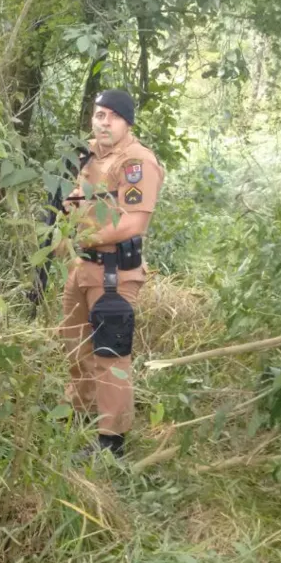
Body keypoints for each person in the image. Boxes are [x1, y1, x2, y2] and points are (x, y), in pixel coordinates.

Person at [58, 89, 164, 458]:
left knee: (110, 354)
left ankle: (109, 441)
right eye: (99, 115)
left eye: (111, 117)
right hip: (82, 267)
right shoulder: (92, 155)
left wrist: (85, 236)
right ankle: (81, 414)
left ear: (127, 123)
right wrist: (62, 225)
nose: (103, 122)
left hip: (113, 272)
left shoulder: (136, 162)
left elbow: (133, 222)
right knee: (75, 344)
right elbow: (78, 197)